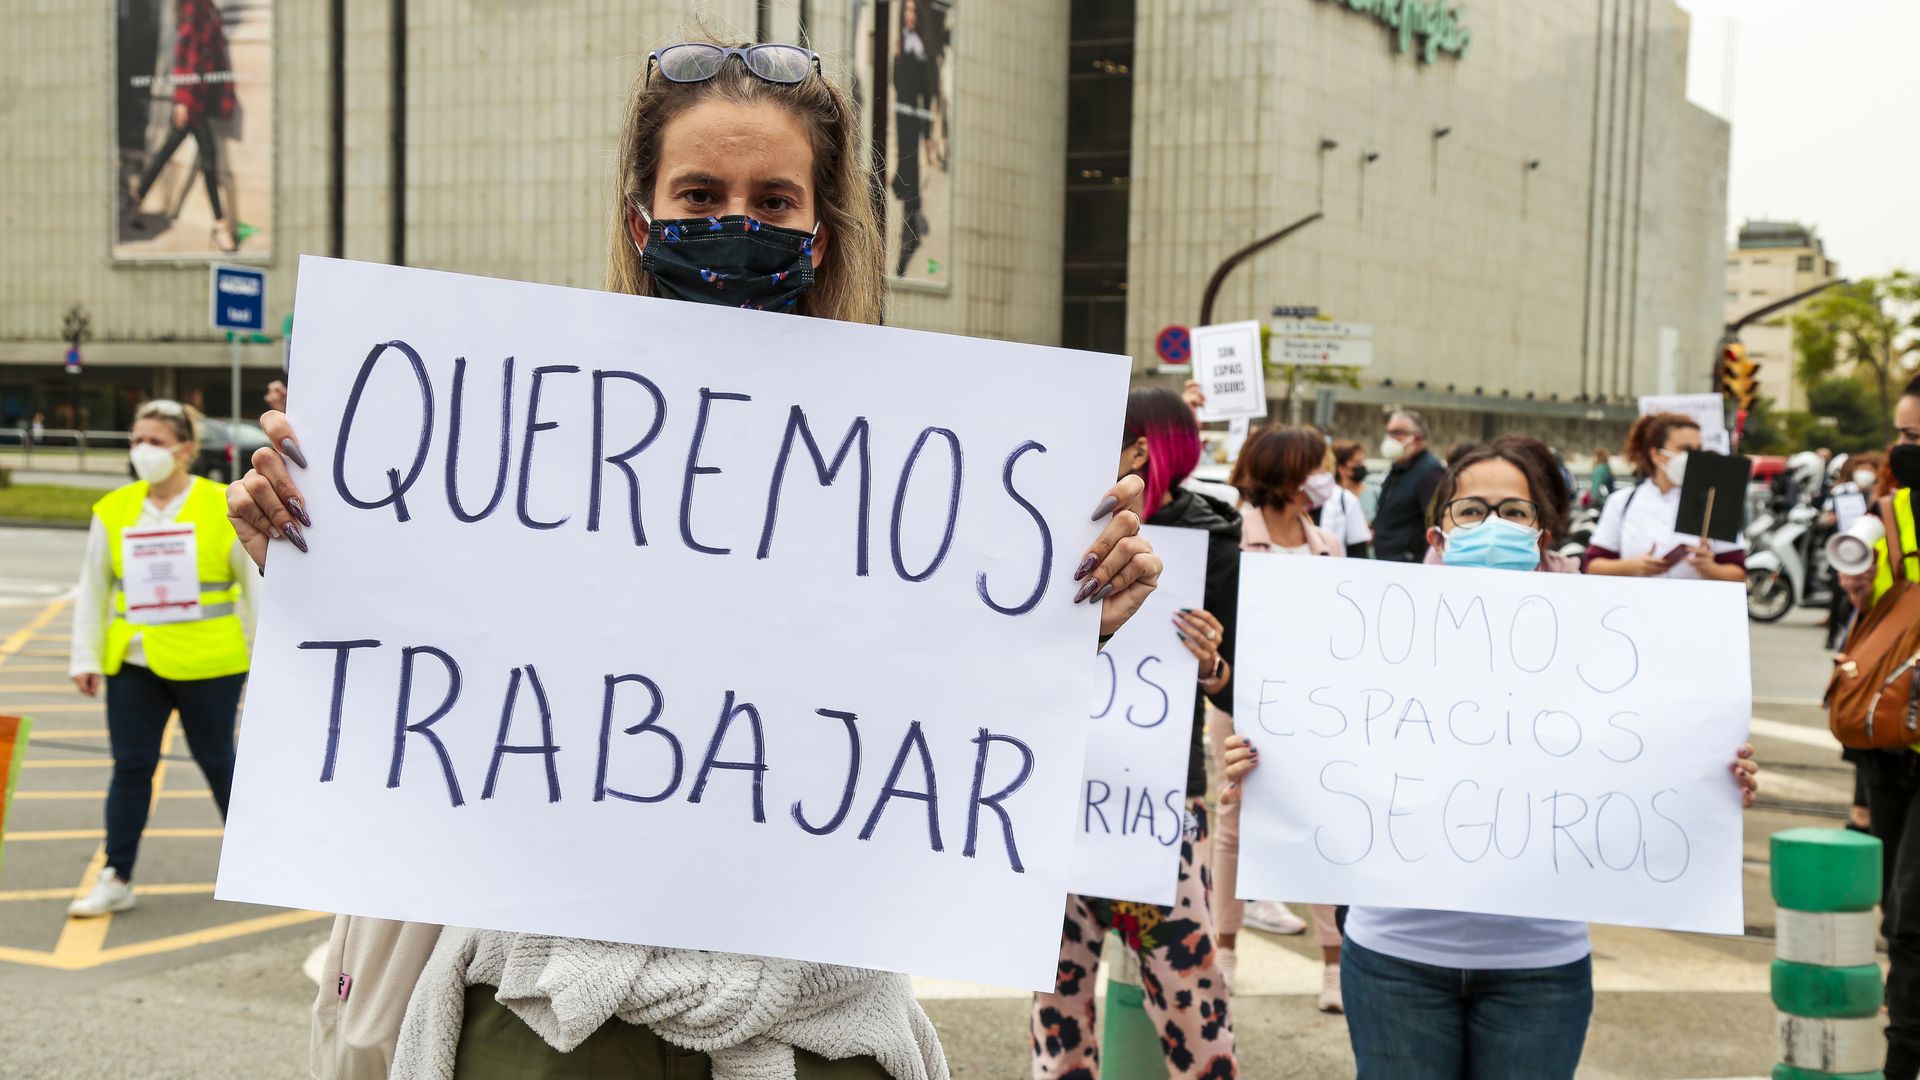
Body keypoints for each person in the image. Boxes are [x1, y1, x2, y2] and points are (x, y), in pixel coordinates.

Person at [228, 38, 1163, 1080]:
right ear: (642, 217)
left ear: (822, 225)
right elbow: (416, 694)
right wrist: (317, 560)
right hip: (550, 1031)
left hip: (813, 1033)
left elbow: (950, 752)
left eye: (774, 200)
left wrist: (1068, 620)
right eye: (700, 193)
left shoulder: (938, 481)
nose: (737, 225)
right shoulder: (519, 445)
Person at [1220, 439, 1760, 1079]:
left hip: (1539, 967)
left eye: (1514, 511)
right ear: (1438, 531)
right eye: (1471, 511)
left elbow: (1659, 749)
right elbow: (1316, 739)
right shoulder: (1368, 631)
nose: (1492, 525)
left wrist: (1715, 782)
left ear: (1544, 532)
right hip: (1395, 956)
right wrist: (1260, 761)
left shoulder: (1605, 641)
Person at [1033, 387, 1240, 1078]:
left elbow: (1240, 683)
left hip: (1159, 800)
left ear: (1139, 451)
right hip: (1056, 790)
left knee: (1189, 991)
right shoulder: (1053, 521)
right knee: (1057, 992)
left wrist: (1213, 667)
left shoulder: (1210, 541)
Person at [66, 399, 253, 917]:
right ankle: (115, 876)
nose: (142, 450)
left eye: (153, 440)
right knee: (131, 767)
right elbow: (93, 588)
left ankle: (259, 864)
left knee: (219, 762)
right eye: (136, 440)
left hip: (210, 663)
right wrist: (84, 657)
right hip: (134, 661)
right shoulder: (114, 508)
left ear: (185, 449)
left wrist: (269, 664)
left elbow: (256, 586)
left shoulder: (222, 504)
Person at [1216, 425, 1348, 1012]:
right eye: (1314, 467)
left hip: (1318, 705)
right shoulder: (1232, 540)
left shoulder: (1330, 545)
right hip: (1242, 701)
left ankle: (1335, 965)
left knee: (1325, 824)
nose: (1325, 477)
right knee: (1233, 824)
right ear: (1287, 474)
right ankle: (1224, 952)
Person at [1836, 375, 1920, 1080]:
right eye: (1901, 434)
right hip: (1898, 751)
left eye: (1916, 437)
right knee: (1902, 919)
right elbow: (1869, 647)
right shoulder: (1889, 515)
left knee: (1914, 920)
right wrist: (1860, 590)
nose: (1903, 448)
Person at [123, 0, 240, 252]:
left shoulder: (207, 8)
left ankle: (137, 198)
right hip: (191, 102)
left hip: (200, 99)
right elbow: (183, 54)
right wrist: (183, 101)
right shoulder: (193, 8)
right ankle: (220, 225)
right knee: (209, 159)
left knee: (167, 152)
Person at [1583, 413, 1747, 583]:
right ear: (1656, 455)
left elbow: (1739, 573)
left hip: (1694, 606)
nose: (1695, 457)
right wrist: (1633, 567)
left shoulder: (1715, 500)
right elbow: (1593, 565)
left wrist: (1711, 569)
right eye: (1685, 449)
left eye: (1698, 450)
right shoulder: (1622, 502)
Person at [1372, 411, 1444, 563]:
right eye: (1388, 432)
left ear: (1417, 438)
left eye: (1397, 433)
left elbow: (1436, 520)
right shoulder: (1399, 468)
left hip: (1410, 564)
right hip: (1387, 560)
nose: (1389, 439)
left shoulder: (1430, 473)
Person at [1319, 440, 1373, 560]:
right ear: (1341, 468)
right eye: (1357, 463)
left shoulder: (1372, 494)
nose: (1362, 467)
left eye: (1362, 462)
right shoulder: (1325, 498)